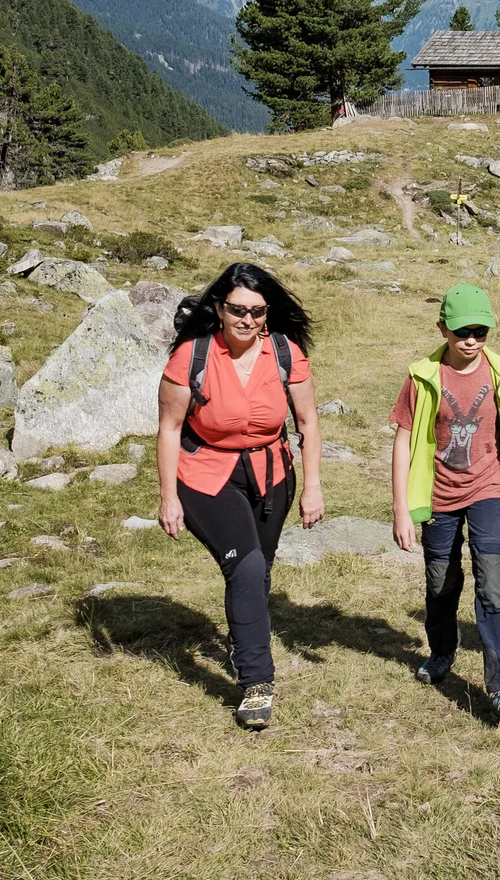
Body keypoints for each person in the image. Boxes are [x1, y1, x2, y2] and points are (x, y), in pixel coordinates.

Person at [156, 262, 325, 731]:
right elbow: (170, 428)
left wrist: (312, 486)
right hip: (206, 474)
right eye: (237, 310)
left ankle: (242, 638)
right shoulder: (191, 357)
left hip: (272, 473)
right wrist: (168, 496)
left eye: (256, 311)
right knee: (246, 565)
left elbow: (308, 423)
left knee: (258, 569)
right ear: (219, 309)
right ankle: (256, 681)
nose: (247, 320)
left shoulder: (286, 353)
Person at [390, 284, 500, 724]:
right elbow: (401, 443)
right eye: (461, 331)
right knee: (441, 580)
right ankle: (441, 652)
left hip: (488, 488)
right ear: (443, 329)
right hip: (437, 495)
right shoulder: (422, 377)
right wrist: (401, 509)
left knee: (493, 583)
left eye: (480, 330)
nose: (471, 340)